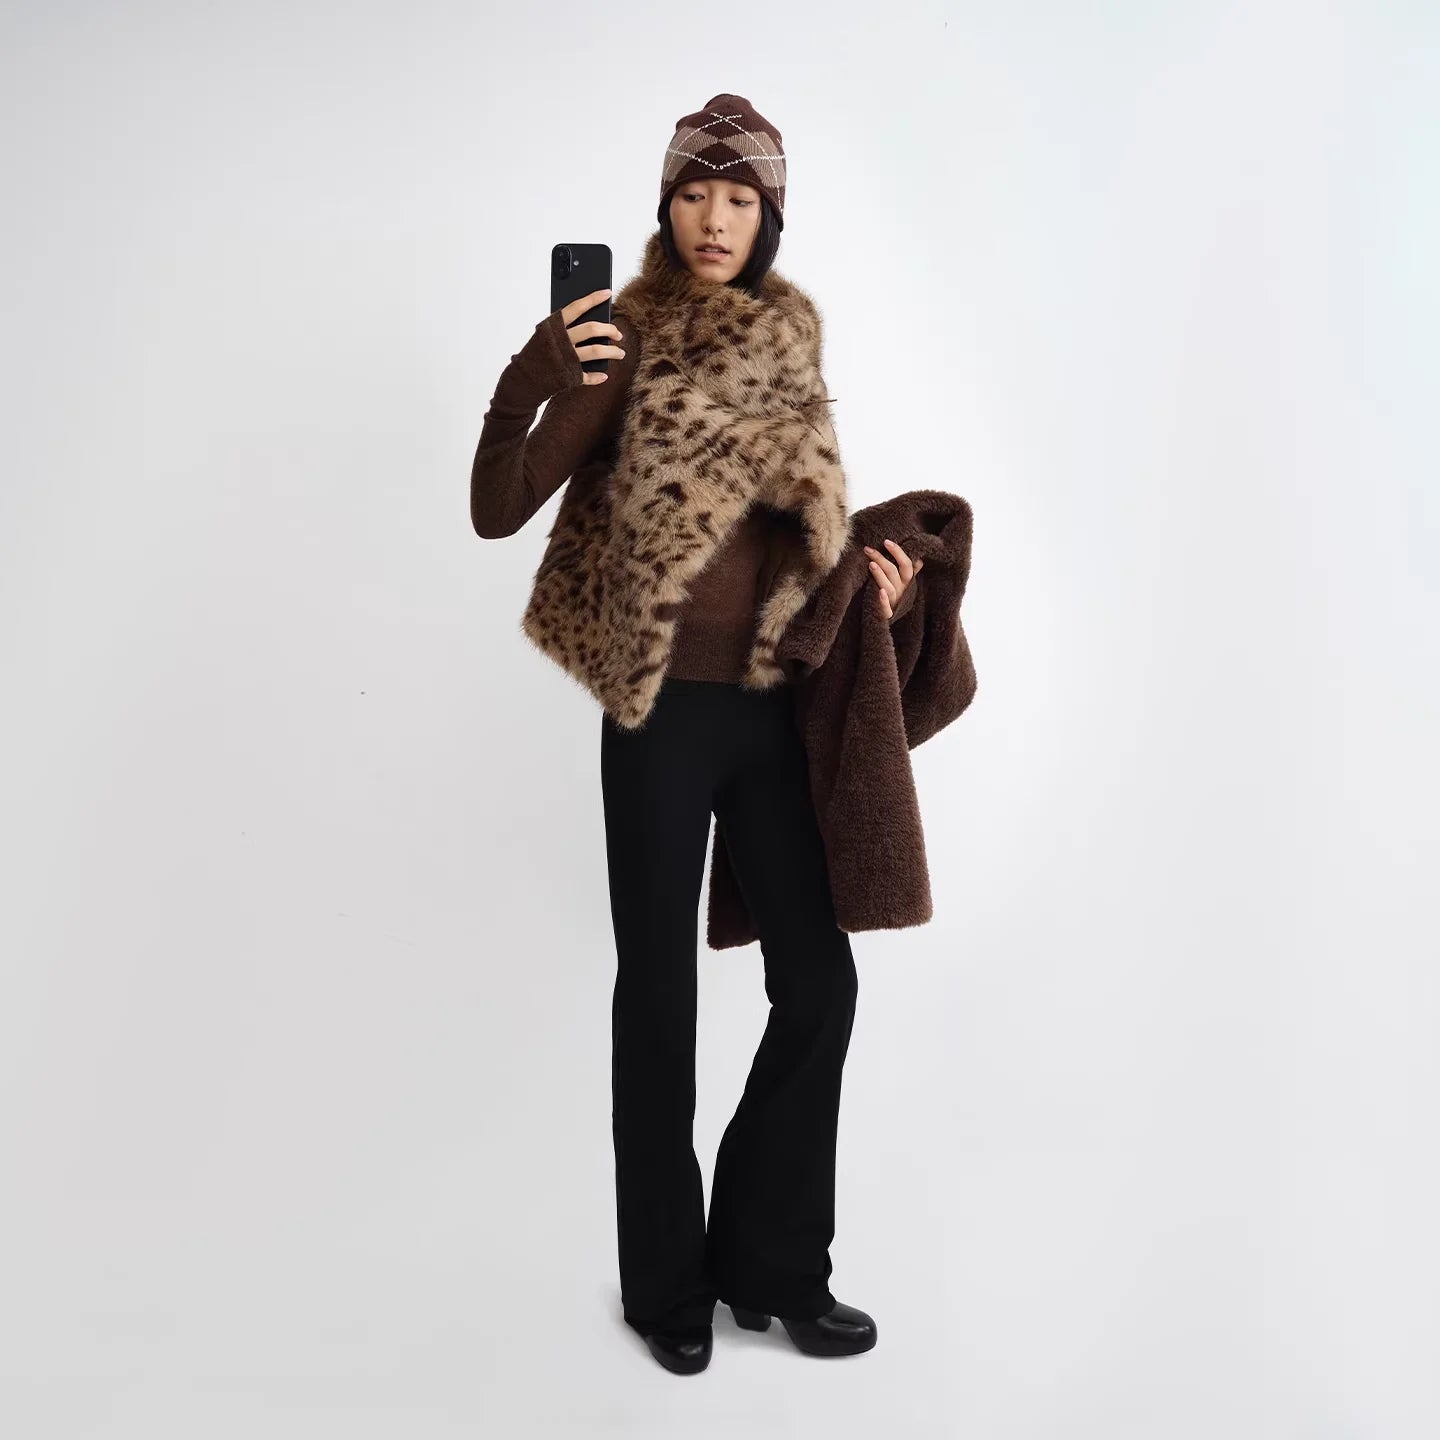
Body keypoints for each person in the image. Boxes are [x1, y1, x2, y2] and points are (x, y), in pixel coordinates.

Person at [470, 94, 920, 1376]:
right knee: (660, 1003)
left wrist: (872, 591)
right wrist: (535, 375)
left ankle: (774, 1267)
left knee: (819, 985)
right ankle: (665, 1286)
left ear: (770, 215)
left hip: (771, 712)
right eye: (692, 193)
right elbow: (498, 506)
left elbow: (804, 538)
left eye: (739, 197)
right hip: (660, 717)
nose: (714, 219)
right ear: (665, 205)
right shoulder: (623, 340)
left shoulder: (790, 343)